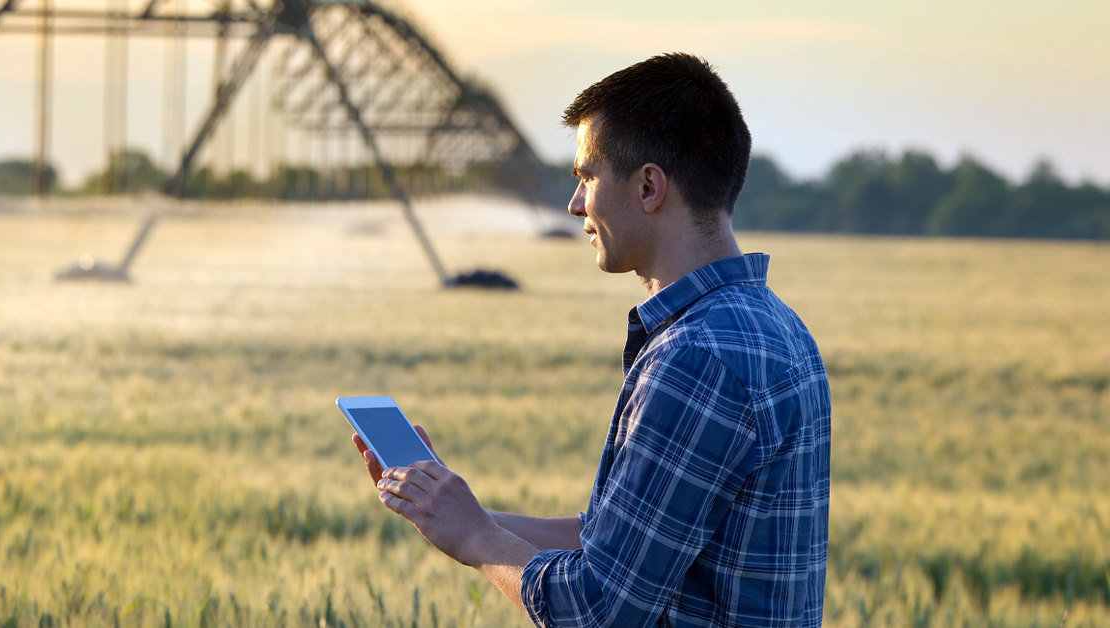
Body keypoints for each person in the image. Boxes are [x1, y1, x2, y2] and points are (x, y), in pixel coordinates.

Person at [352, 52, 831, 627]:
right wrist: (449, 508)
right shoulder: (776, 328)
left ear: (649, 186)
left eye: (586, 176)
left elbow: (597, 612)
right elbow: (615, 539)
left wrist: (478, 538)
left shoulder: (697, 358)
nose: (576, 204)